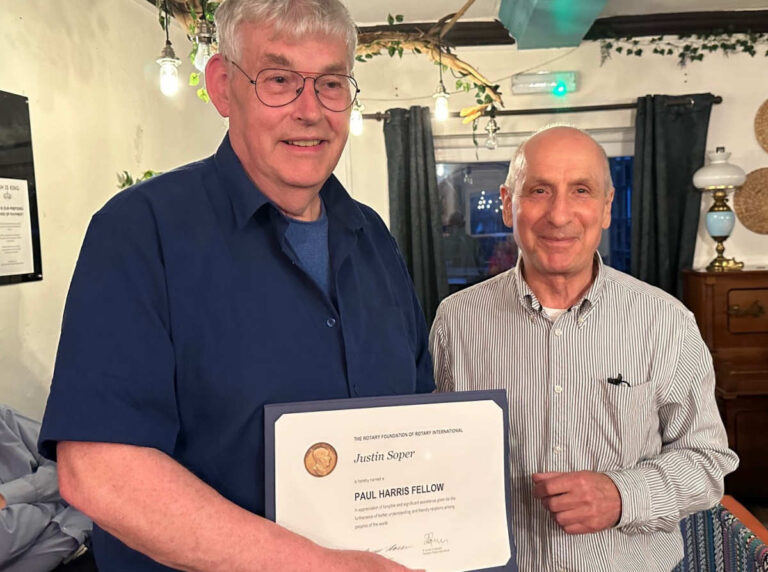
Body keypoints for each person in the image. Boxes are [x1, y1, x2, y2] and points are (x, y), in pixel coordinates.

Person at [38, 1, 433, 570]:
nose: (310, 111)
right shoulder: (139, 231)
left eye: (330, 83)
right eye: (279, 81)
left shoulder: (373, 236)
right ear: (223, 87)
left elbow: (416, 419)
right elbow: (100, 470)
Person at [429, 126, 738, 571]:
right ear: (506, 203)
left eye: (581, 190)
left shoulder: (666, 323)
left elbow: (708, 463)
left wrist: (621, 495)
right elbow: (436, 453)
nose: (559, 214)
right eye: (538, 190)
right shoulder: (455, 321)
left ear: (607, 207)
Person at [0, 404, 93, 571]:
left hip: (98, 524)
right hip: (66, 555)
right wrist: (55, 501)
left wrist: (7, 497)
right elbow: (7, 536)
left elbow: (64, 461)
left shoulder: (3, 418)